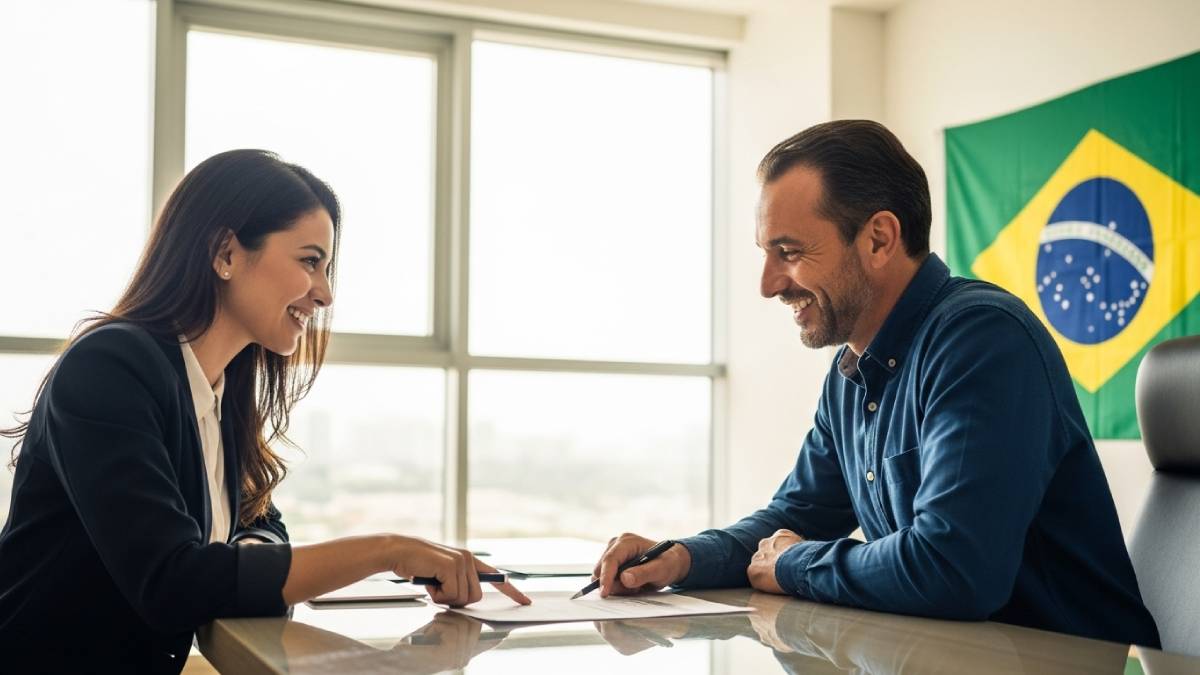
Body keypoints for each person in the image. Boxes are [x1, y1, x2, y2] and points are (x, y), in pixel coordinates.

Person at [592, 120, 1161, 647]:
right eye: (767, 254)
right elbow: (796, 517)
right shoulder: (850, 371)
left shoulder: (983, 339)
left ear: (879, 239)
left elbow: (953, 570)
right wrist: (682, 557)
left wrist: (795, 564)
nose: (768, 285)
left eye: (788, 252)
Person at [0, 149, 528, 673]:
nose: (323, 293)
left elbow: (262, 520)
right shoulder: (110, 367)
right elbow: (170, 582)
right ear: (225, 253)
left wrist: (247, 547)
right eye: (309, 261)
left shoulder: (218, 390)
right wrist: (385, 550)